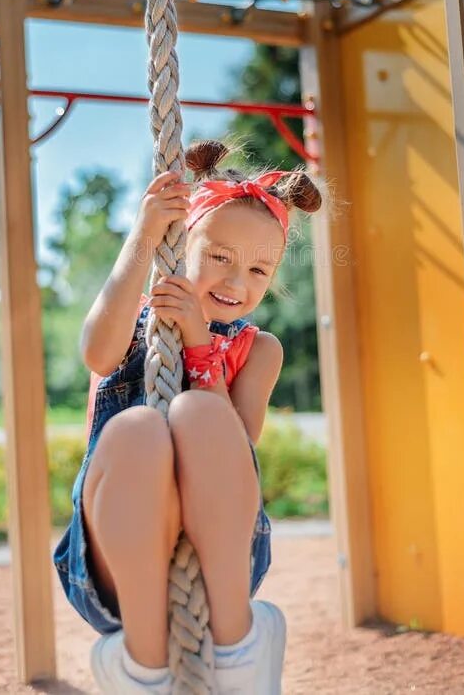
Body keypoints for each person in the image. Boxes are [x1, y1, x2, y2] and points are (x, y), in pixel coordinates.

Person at [53, 138, 323, 693]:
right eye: (219, 257)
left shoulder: (260, 350)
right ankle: (144, 668)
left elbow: (233, 451)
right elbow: (98, 355)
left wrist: (201, 350)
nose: (236, 283)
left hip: (220, 565)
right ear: (179, 247)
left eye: (258, 270)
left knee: (201, 413)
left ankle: (240, 650)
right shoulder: (136, 319)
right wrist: (143, 234)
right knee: (137, 428)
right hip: (114, 562)